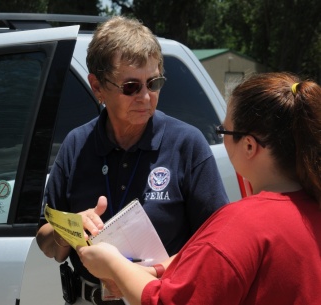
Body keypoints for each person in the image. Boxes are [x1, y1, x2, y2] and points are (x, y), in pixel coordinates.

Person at [77, 71, 321, 305]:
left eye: (223, 131)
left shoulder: (242, 225)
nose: (221, 138)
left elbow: (166, 301)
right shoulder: (311, 208)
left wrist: (111, 263)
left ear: (249, 146)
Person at [36, 16, 229, 304]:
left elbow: (218, 243)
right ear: (97, 87)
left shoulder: (187, 145)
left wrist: (151, 272)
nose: (146, 96)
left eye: (154, 83)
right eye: (131, 87)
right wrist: (69, 230)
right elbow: (46, 241)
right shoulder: (76, 145)